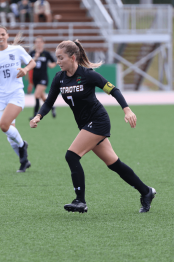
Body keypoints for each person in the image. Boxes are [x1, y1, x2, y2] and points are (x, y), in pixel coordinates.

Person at [30, 40, 156, 213]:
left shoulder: (88, 75)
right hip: (85, 125)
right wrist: (38, 116)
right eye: (57, 58)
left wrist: (127, 110)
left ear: (72, 57)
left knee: (71, 156)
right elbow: (49, 101)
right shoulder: (59, 78)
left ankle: (80, 201)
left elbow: (113, 90)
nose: (58, 61)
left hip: (98, 121)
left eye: (61, 58)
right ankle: (146, 191)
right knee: (114, 164)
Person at [0, 25, 36, 172]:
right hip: (0, 97)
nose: (0, 37)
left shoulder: (16, 50)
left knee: (4, 125)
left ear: (7, 35)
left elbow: (32, 62)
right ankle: (24, 162)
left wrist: (25, 70)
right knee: (9, 135)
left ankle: (23, 145)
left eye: (2, 34)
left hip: (16, 94)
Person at [28, 36, 57, 120]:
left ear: (43, 43)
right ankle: (52, 107)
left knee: (36, 95)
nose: (38, 43)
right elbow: (28, 63)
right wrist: (35, 58)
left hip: (43, 78)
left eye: (40, 42)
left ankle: (35, 114)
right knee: (42, 97)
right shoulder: (32, 53)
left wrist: (51, 65)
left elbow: (54, 62)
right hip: (35, 78)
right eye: (36, 42)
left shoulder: (46, 53)